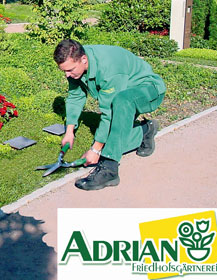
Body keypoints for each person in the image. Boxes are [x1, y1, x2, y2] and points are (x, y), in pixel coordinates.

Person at [54, 39, 166, 191]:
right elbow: (75, 97)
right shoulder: (77, 62)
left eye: (70, 70)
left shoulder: (109, 68)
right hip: (125, 93)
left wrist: (96, 150)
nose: (67, 75)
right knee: (115, 138)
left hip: (148, 90)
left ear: (83, 60)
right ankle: (145, 130)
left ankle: (109, 169)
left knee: (120, 105)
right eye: (64, 71)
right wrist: (69, 131)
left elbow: (109, 113)